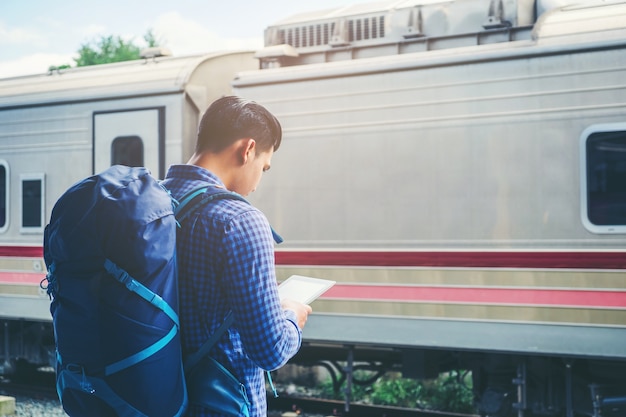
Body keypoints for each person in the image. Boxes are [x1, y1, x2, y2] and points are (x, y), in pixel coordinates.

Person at [161, 96, 312, 417]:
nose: (258, 182)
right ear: (247, 150)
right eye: (264, 166)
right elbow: (268, 351)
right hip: (218, 403)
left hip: (156, 395)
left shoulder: (152, 202)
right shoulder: (240, 220)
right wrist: (292, 318)